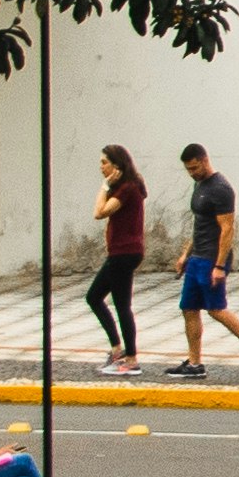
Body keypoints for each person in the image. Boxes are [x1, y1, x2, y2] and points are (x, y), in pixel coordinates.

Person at [173, 142, 239, 382]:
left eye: (194, 168)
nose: (192, 173)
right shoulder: (200, 185)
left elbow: (227, 229)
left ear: (204, 160)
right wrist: (186, 254)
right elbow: (199, 224)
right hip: (197, 257)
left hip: (212, 259)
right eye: (188, 170)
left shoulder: (221, 188)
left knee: (216, 309)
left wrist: (219, 266)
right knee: (189, 308)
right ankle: (195, 364)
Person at [81, 147, 149, 375]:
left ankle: (130, 358)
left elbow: (99, 213)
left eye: (104, 163)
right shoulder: (127, 186)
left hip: (124, 253)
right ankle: (119, 350)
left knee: (118, 305)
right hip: (124, 252)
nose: (101, 167)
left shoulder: (127, 188)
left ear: (116, 166)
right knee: (97, 298)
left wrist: (104, 186)